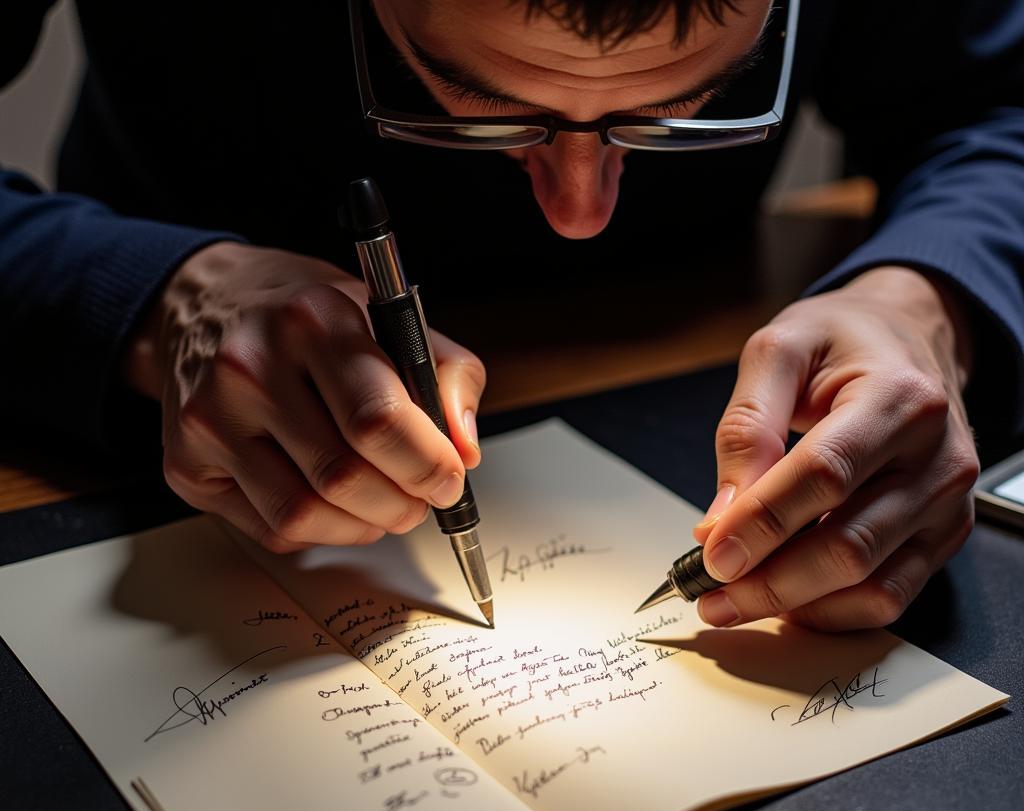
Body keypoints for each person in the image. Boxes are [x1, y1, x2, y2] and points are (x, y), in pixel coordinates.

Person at [2, 0, 1023, 631]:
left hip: (675, 345)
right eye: (463, 93)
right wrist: (152, 300)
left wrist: (924, 296)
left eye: (693, 102)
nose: (577, 214)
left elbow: (997, 104)